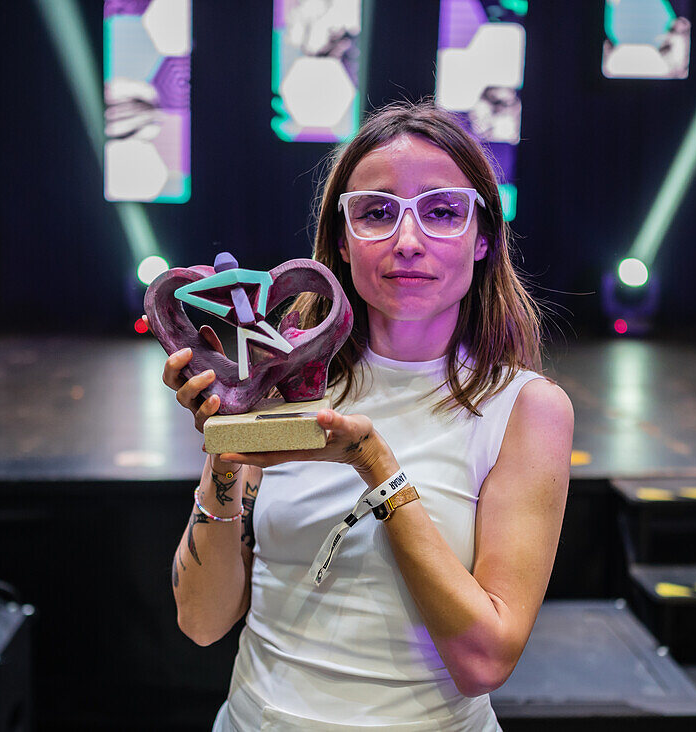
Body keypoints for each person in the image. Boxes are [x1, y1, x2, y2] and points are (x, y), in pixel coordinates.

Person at [157, 100, 573, 730]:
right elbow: (202, 620)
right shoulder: (282, 381)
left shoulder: (524, 409)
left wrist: (373, 464)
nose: (408, 242)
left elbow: (484, 661)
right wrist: (226, 445)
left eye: (441, 212)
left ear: (484, 237)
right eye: (376, 213)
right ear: (344, 243)